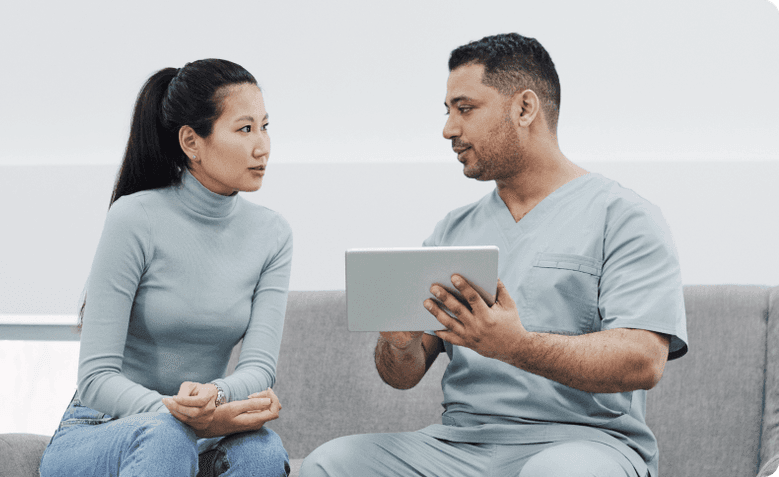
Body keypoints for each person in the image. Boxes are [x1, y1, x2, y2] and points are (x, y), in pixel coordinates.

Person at [301, 33, 688, 477]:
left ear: (524, 109)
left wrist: (516, 346)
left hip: (587, 443)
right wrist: (398, 342)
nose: (448, 129)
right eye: (447, 112)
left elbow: (643, 360)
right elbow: (402, 374)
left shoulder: (624, 217)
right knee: (331, 464)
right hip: (461, 443)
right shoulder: (451, 231)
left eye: (464, 109)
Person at [39, 59, 293, 477]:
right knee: (165, 434)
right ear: (192, 142)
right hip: (101, 429)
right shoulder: (133, 219)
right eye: (245, 129)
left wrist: (215, 396)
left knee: (261, 450)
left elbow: (259, 369)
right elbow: (96, 378)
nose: (262, 146)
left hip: (197, 429)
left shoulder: (272, 234)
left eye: (266, 126)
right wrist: (177, 413)